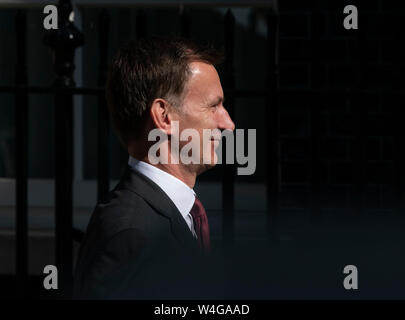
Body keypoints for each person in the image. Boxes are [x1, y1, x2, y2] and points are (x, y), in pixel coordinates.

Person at [73, 37, 235, 299]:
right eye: (213, 105)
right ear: (164, 116)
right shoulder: (131, 233)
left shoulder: (174, 215)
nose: (228, 123)